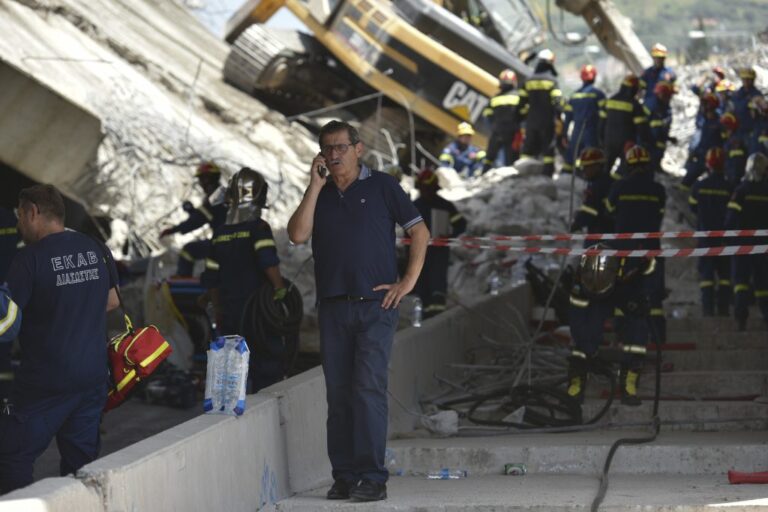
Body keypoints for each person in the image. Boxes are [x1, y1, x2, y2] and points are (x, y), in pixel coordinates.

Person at [287, 120, 429, 502]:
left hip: (376, 308)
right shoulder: (320, 194)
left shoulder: (382, 186)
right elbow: (297, 234)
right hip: (333, 308)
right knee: (339, 395)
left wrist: (407, 282)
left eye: (341, 147)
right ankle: (345, 475)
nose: (334, 155)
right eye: (327, 148)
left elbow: (420, 231)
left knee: (367, 389)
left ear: (358, 149)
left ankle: (372, 476)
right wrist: (314, 187)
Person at [0, 184, 120, 494]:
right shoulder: (96, 247)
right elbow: (112, 302)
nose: (17, 225)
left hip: (45, 384)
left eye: (19, 216)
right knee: (82, 466)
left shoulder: (29, 259)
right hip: (93, 378)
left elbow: (7, 323)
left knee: (12, 456)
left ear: (33, 212)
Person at [201, 168, 288, 392]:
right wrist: (279, 289)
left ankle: (232, 410)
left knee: (232, 368)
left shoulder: (220, 232)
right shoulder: (259, 228)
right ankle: (265, 404)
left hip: (229, 309)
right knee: (266, 363)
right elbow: (268, 261)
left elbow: (211, 276)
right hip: (258, 312)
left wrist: (218, 307)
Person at [605, 145, 666, 396]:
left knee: (624, 295)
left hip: (625, 251)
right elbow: (659, 216)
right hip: (651, 250)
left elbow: (610, 212)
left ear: (629, 164)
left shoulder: (619, 187)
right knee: (652, 296)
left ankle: (621, 334)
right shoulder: (658, 190)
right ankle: (657, 338)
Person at [566, 245, 655, 406]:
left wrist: (639, 303)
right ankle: (575, 389)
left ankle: (628, 388)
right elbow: (577, 326)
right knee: (582, 339)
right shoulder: (578, 286)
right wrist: (589, 352)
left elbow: (648, 271)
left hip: (622, 289)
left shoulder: (629, 265)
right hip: (592, 298)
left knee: (637, 332)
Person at [412, 168, 466, 317]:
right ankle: (424, 317)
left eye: (428, 188)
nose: (425, 192)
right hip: (419, 254)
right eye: (423, 189)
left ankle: (437, 318)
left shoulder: (445, 205)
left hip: (439, 253)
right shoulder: (414, 206)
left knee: (437, 285)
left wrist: (448, 236)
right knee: (422, 286)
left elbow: (461, 224)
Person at [159, 162, 228, 276]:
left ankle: (183, 280)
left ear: (209, 180)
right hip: (236, 242)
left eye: (202, 179)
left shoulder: (214, 198)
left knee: (188, 250)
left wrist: (172, 230)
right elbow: (207, 216)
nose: (201, 184)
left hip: (223, 243)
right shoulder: (224, 194)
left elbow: (196, 221)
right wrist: (192, 212)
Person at [689, 147, 734, 316]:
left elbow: (693, 207)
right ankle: (723, 310)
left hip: (705, 237)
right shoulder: (730, 187)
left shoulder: (699, 186)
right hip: (724, 238)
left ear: (708, 165)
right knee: (724, 276)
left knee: (707, 276)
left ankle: (708, 311)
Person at [726, 152, 768, 331]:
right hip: (764, 245)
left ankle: (741, 320)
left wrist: (728, 238)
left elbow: (730, 219)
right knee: (763, 283)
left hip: (742, 244)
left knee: (741, 282)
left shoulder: (741, 191)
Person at [518, 50, 563, 177]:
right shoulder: (552, 80)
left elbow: (521, 103)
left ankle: (523, 175)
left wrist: (522, 117)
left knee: (528, 148)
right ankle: (547, 175)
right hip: (547, 121)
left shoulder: (528, 80)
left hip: (531, 121)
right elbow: (557, 102)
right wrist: (560, 117)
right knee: (548, 149)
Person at [601, 74, 651, 179]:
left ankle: (602, 189)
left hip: (608, 142)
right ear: (633, 89)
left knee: (605, 169)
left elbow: (601, 124)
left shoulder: (610, 101)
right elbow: (642, 129)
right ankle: (615, 186)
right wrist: (646, 143)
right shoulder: (634, 105)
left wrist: (602, 141)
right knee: (623, 169)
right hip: (626, 144)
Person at [561, 65, 606, 174]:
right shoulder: (598, 95)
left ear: (581, 77)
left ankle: (566, 184)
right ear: (594, 77)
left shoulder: (574, 96)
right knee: (592, 161)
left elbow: (567, 118)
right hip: (592, 134)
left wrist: (564, 135)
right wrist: (603, 136)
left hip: (576, 134)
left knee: (570, 161)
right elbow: (605, 117)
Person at [481, 69, 526, 173]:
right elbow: (524, 113)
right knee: (512, 160)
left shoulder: (495, 98)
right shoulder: (518, 97)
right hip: (512, 132)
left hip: (497, 131)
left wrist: (493, 126)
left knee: (489, 157)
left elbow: (487, 114)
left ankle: (483, 175)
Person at [680, 93, 724, 190]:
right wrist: (695, 152)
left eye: (704, 104)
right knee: (686, 181)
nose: (701, 107)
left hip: (713, 160)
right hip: (701, 156)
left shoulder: (719, 123)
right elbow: (703, 140)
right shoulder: (706, 121)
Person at [569, 148, 613, 237]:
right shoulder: (609, 181)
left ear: (597, 166)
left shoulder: (597, 186)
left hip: (600, 232)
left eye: (587, 167)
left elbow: (590, 210)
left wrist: (577, 224)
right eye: (583, 167)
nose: (584, 170)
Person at [728, 67, 763, 153]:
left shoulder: (757, 95)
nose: (746, 81)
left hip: (752, 131)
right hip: (737, 131)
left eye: (749, 79)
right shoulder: (736, 95)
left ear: (753, 80)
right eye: (744, 79)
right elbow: (730, 110)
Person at [644, 81, 675, 173]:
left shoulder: (664, 105)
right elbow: (645, 123)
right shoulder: (652, 104)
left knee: (659, 150)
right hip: (650, 137)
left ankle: (656, 166)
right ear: (661, 94)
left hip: (659, 136)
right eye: (668, 96)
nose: (669, 98)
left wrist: (668, 137)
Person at [721, 112, 748, 184]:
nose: (725, 130)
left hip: (734, 177)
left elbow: (736, 164)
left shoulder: (736, 140)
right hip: (729, 173)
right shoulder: (729, 139)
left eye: (726, 127)